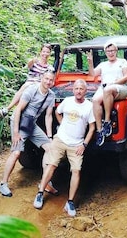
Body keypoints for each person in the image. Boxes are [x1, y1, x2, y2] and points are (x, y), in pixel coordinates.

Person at [33, 79, 95, 217]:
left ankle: (70, 202)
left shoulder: (89, 107)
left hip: (77, 144)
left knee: (76, 170)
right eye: (76, 88)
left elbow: (92, 128)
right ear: (73, 90)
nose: (78, 91)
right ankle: (40, 193)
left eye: (81, 89)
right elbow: (57, 112)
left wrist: (84, 144)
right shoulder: (67, 101)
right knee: (51, 165)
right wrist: (62, 124)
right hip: (60, 139)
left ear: (86, 91)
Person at [0, 71, 58, 197]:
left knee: (49, 149)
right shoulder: (32, 90)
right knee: (16, 153)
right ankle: (3, 183)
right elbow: (18, 109)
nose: (48, 82)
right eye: (46, 79)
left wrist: (49, 136)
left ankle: (45, 182)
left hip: (31, 124)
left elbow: (48, 116)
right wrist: (15, 132)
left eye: (51, 80)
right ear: (42, 78)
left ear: (53, 82)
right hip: (19, 122)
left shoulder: (51, 95)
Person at [87, 42, 127, 146]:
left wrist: (114, 83)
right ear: (105, 52)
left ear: (116, 51)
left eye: (113, 50)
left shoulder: (122, 62)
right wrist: (90, 62)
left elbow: (126, 77)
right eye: (108, 51)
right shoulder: (103, 64)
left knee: (107, 90)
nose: (111, 53)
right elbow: (92, 74)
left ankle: (107, 121)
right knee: (95, 100)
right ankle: (99, 130)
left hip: (120, 87)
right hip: (105, 87)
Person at [0, 43, 53, 115]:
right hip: (31, 82)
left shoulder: (49, 67)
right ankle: (8, 108)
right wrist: (32, 61)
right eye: (44, 51)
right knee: (24, 87)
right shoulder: (35, 61)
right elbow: (29, 66)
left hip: (40, 84)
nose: (45, 54)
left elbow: (50, 79)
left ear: (49, 54)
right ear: (40, 52)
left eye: (47, 52)